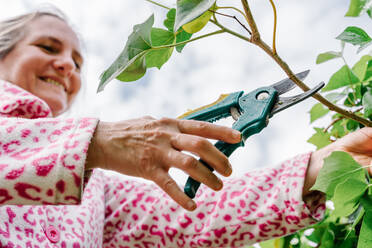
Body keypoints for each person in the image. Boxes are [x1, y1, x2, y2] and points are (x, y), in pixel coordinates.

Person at [0, 6, 371, 248]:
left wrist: (316, 170)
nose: (67, 66)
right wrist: (96, 141)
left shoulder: (94, 182)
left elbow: (188, 214)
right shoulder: (92, 153)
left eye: (77, 62)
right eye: (49, 48)